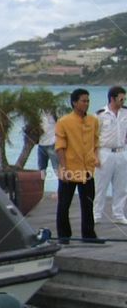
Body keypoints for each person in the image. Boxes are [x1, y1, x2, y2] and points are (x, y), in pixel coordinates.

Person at [55, 88, 101, 243]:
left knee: (88, 204)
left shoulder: (93, 120)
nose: (86, 104)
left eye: (88, 101)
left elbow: (96, 142)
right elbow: (60, 146)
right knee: (64, 205)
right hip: (70, 169)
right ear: (75, 102)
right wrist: (64, 168)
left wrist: (96, 158)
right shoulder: (64, 122)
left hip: (87, 169)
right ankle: (63, 236)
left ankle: (88, 235)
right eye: (83, 101)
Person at [92, 86, 127, 224]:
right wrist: (94, 156)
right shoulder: (100, 115)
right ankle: (96, 214)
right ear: (112, 98)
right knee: (100, 185)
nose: (123, 100)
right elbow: (93, 137)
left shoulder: (125, 113)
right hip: (105, 152)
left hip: (121, 152)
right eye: (121, 98)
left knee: (122, 186)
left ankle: (118, 213)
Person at [37, 109, 59, 179]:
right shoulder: (39, 113)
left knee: (57, 169)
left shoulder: (55, 113)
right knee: (41, 170)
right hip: (41, 145)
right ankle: (41, 187)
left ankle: (63, 187)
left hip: (52, 144)